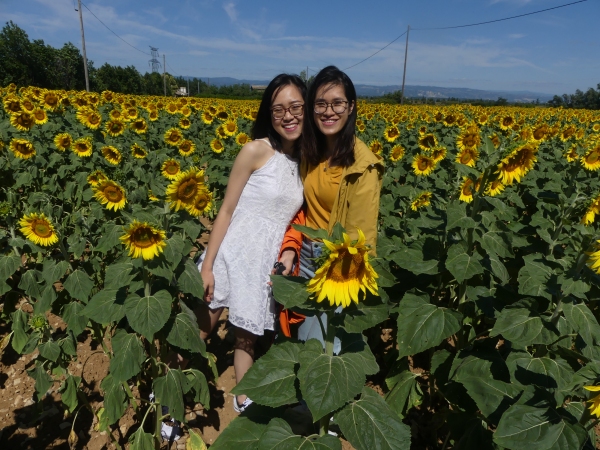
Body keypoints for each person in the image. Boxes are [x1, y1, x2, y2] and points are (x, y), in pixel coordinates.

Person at [196, 74, 305, 413]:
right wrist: (209, 266)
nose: (288, 116)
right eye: (278, 110)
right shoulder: (256, 150)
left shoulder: (306, 161)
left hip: (263, 261)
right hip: (233, 251)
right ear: (268, 114)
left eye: (296, 107)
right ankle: (169, 395)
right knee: (203, 328)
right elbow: (226, 210)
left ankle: (244, 398)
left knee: (248, 335)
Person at [276, 66, 384, 348]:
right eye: (321, 104)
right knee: (303, 338)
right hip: (305, 255)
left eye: (337, 103)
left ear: (351, 107)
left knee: (325, 344)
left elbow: (361, 235)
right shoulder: (311, 149)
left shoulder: (363, 166)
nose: (328, 111)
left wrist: (342, 273)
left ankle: (321, 392)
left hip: (337, 262)